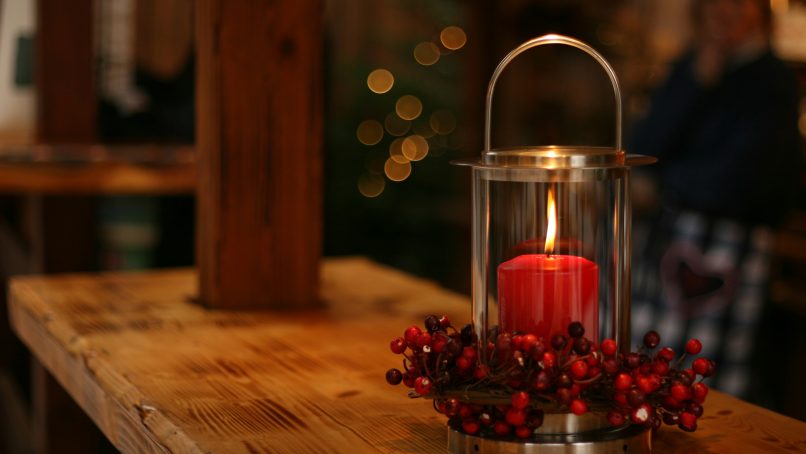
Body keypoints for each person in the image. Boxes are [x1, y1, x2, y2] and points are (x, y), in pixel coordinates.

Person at [629, 0, 802, 398]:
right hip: (667, 241)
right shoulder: (690, 65)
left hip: (731, 246)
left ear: (760, 11)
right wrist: (695, 80)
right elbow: (643, 148)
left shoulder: (773, 79)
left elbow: (744, 175)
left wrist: (662, 184)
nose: (726, 10)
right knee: (649, 369)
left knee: (708, 381)